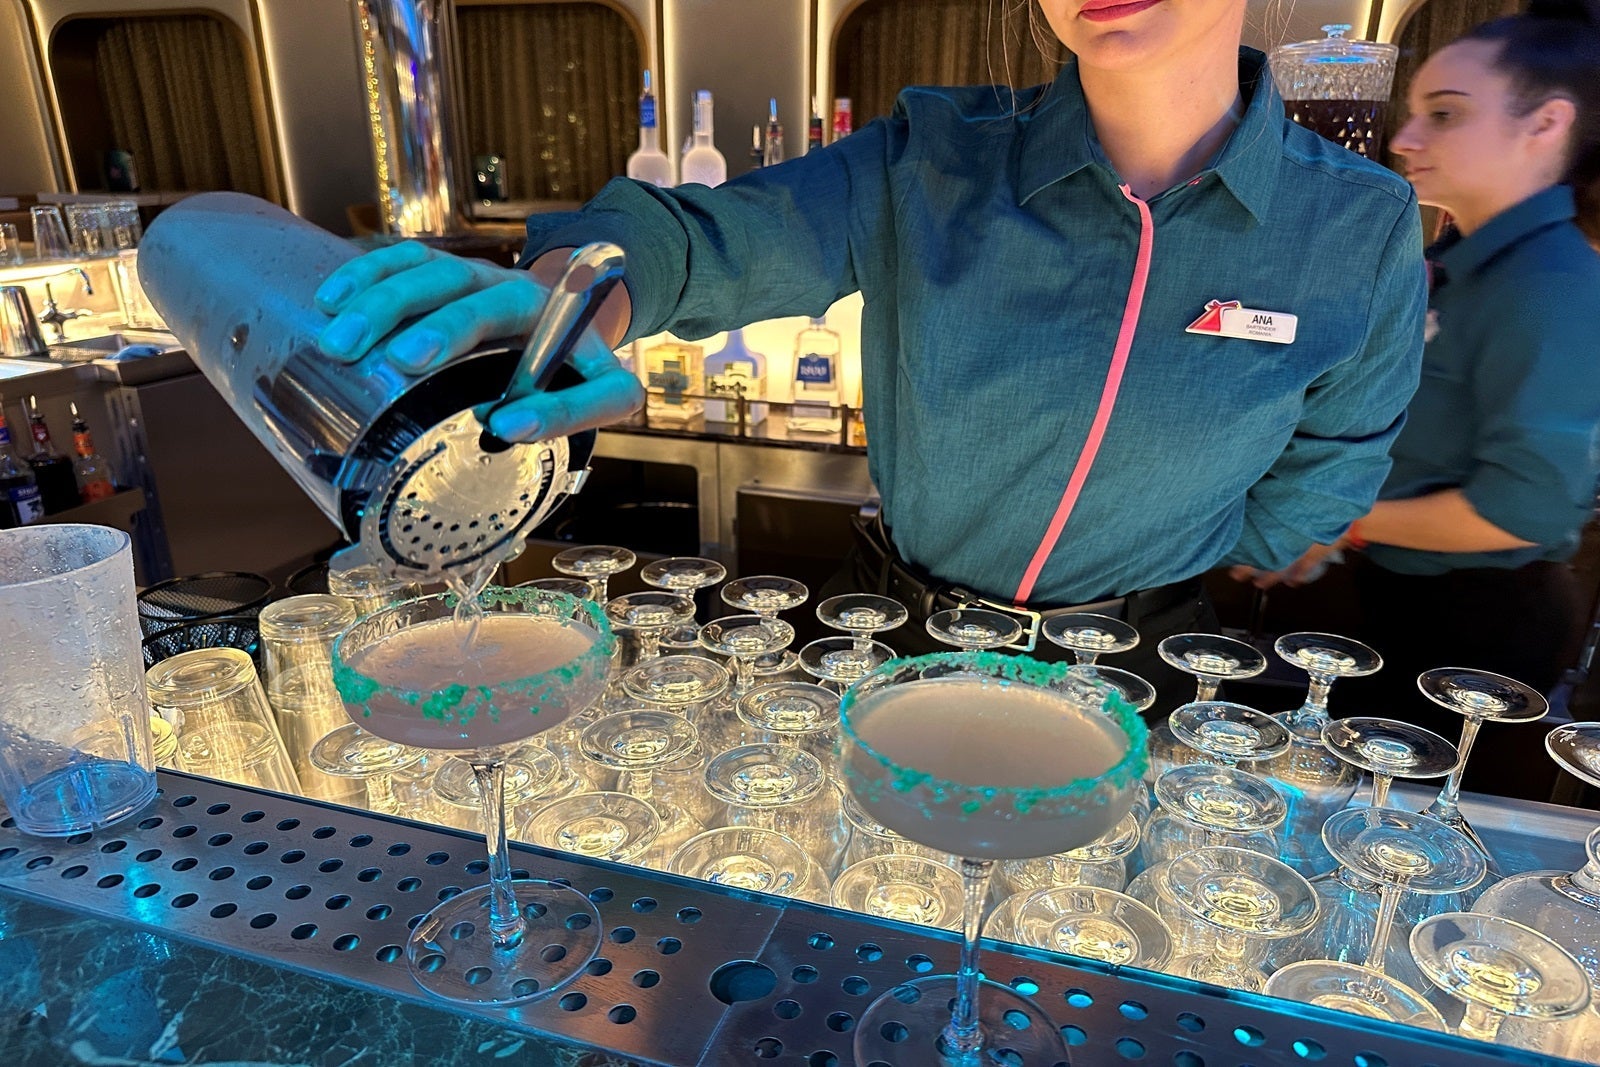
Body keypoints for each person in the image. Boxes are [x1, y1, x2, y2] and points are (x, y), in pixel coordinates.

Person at [313, 0, 1426, 708]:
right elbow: (695, 240)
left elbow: (1324, 477)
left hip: (1141, 671)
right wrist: (575, 298)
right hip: (896, 642)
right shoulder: (930, 158)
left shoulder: (1358, 225)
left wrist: (1163, 560)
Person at [1237, 0, 1600, 798]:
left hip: (1478, 627)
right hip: (1395, 596)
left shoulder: (1554, 284)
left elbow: (1523, 510)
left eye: (1444, 114)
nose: (1403, 139)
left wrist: (1333, 520)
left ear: (1545, 125)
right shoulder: (1458, 260)